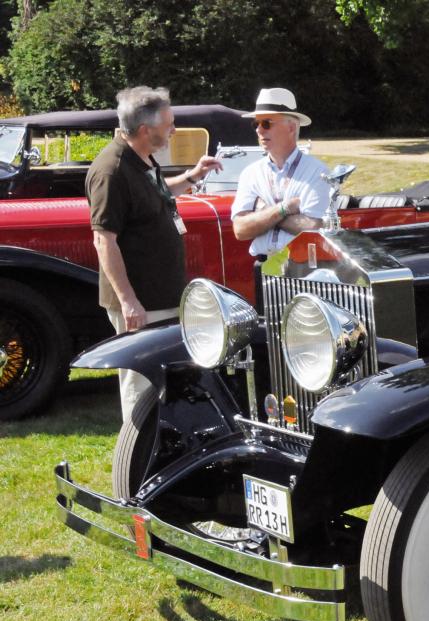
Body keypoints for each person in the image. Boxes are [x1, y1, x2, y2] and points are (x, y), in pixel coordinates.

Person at [86, 86, 222, 421]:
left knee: (163, 385)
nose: (173, 130)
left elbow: (157, 195)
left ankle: (162, 451)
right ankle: (137, 461)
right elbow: (104, 241)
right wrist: (130, 301)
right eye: (169, 124)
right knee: (140, 386)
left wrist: (192, 176)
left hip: (161, 298)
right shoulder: (112, 171)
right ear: (146, 130)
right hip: (141, 304)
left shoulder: (142, 159)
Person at [231, 88, 329, 286]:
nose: (259, 130)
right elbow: (240, 229)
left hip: (303, 271)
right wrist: (283, 209)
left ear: (291, 127)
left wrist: (262, 214)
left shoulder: (318, 172)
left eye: (266, 123)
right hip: (262, 268)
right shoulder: (251, 173)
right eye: (256, 123)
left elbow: (314, 230)